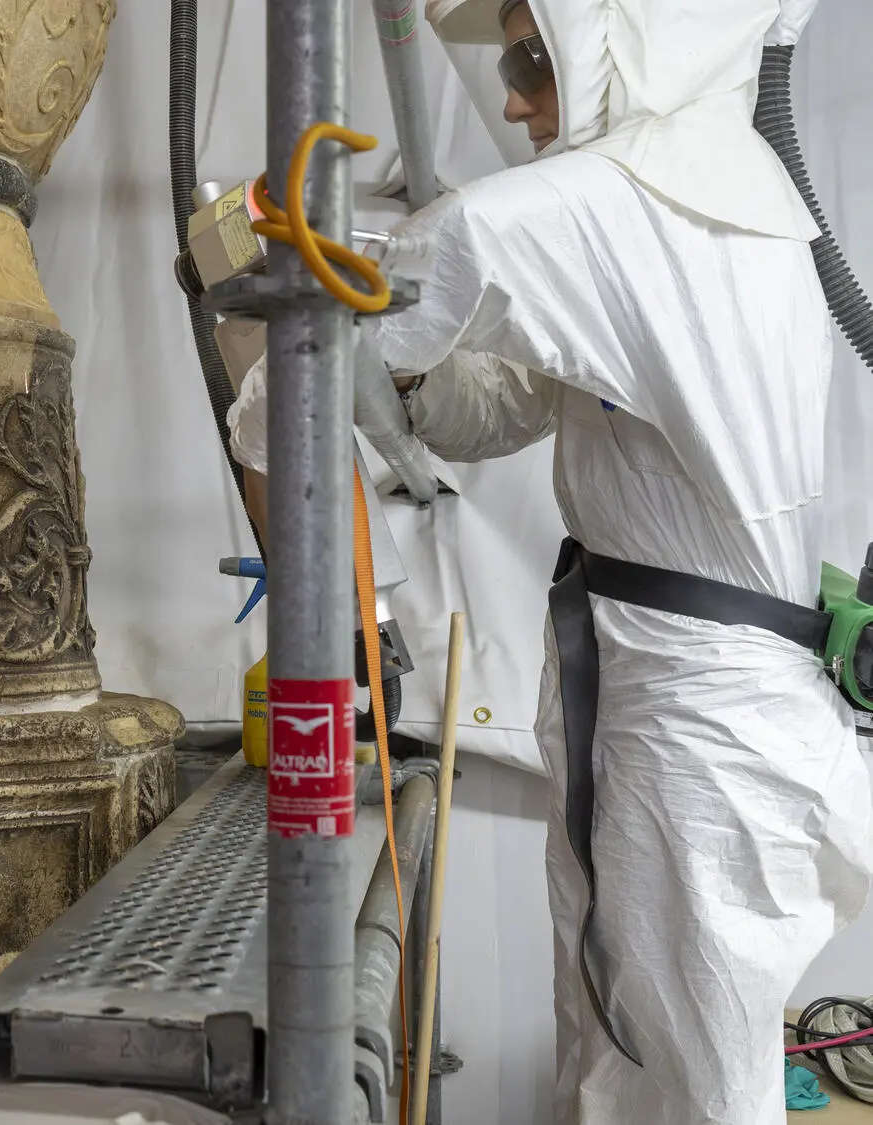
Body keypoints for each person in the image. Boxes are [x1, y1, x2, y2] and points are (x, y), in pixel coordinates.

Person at [226, 0, 872, 1120]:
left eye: (533, 56)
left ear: (626, 40)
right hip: (675, 689)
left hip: (690, 717)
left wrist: (276, 359)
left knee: (686, 1072)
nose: (515, 98)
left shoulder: (596, 206)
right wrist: (406, 381)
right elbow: (505, 406)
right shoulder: (717, 197)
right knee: (628, 1043)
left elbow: (287, 382)